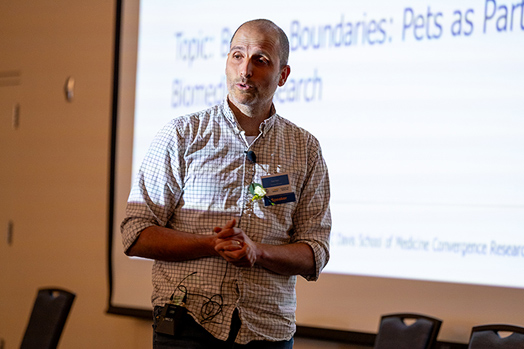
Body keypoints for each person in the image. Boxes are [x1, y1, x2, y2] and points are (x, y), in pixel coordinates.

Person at [121, 19, 331, 349]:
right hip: (187, 326)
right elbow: (135, 233)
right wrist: (210, 245)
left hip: (267, 330)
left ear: (283, 75)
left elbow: (315, 251)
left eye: (260, 60)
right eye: (237, 56)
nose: (245, 70)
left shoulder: (305, 149)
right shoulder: (182, 135)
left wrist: (257, 252)